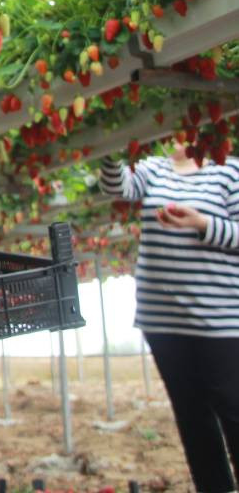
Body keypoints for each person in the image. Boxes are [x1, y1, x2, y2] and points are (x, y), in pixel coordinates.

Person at [99, 140, 239, 493]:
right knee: (192, 419)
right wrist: (110, 145)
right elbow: (117, 186)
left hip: (220, 318)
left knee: (234, 411)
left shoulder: (230, 171)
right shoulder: (152, 168)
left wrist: (203, 222)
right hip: (161, 319)